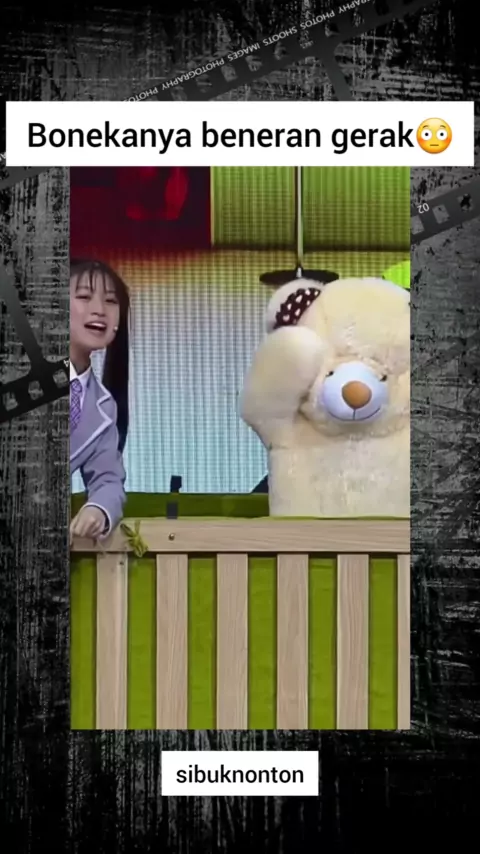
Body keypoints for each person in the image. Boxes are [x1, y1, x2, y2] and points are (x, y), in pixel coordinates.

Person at [69, 258, 129, 543]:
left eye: (111, 301)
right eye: (84, 297)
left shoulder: (104, 406)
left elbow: (108, 479)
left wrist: (99, 509)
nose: (99, 310)